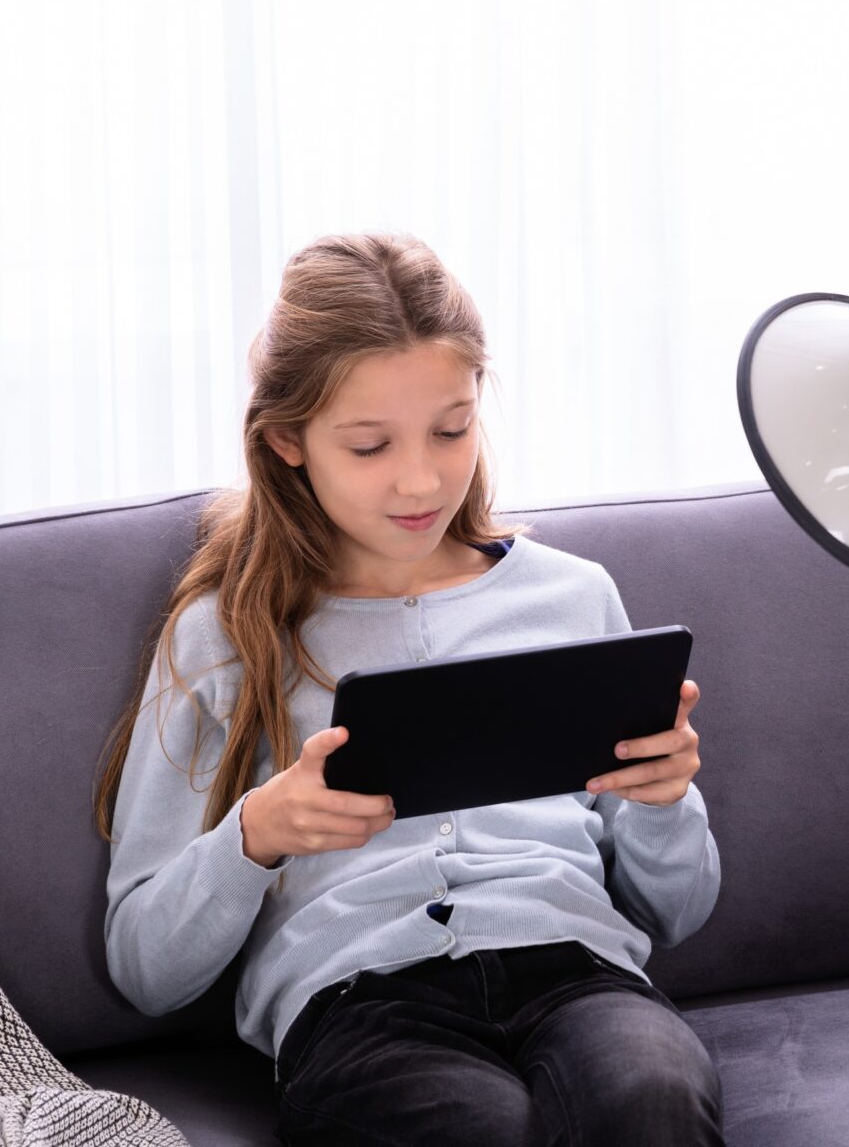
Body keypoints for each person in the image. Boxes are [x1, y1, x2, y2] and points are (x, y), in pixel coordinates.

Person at [95, 233, 723, 1147]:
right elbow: (144, 966)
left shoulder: (575, 596)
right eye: (369, 445)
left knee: (651, 1100)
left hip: (579, 973)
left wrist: (667, 804)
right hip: (360, 1005)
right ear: (287, 440)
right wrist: (258, 837)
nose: (422, 478)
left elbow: (679, 910)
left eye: (452, 428)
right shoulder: (225, 634)